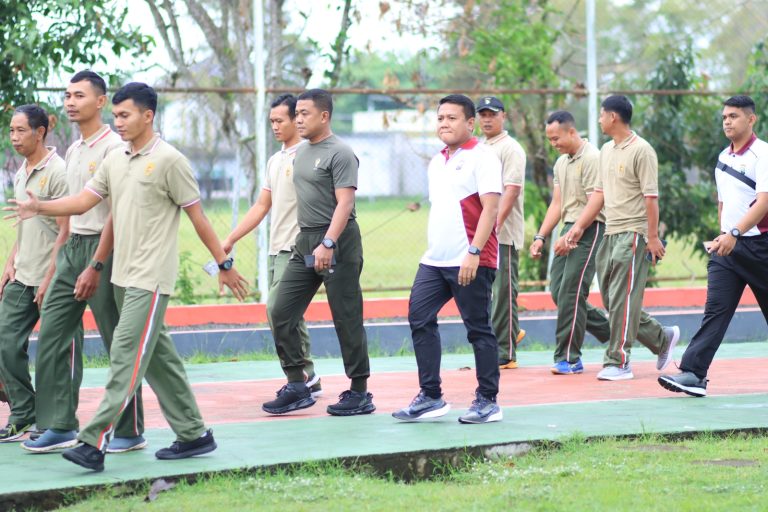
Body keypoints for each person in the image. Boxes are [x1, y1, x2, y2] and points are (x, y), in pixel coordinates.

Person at [6, 82, 249, 472]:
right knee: (158, 360)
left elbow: (198, 218)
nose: (118, 123)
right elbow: (85, 201)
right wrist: (41, 206)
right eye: (116, 116)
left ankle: (93, 441)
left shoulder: (170, 160)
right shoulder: (115, 160)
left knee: (124, 354)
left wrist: (224, 263)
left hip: (150, 279)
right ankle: (194, 433)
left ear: (147, 116)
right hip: (120, 274)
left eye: (125, 115)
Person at [21, 71, 145, 454]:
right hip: (72, 248)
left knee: (116, 342)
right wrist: (58, 260)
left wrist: (96, 264)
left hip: (104, 251)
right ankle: (59, 424)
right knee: (53, 334)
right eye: (67, 95)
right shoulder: (74, 150)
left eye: (79, 95)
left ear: (101, 102)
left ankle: (130, 428)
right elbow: (73, 210)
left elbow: (113, 212)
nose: (70, 102)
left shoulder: (113, 147)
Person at [393, 94, 503, 424]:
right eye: (440, 118)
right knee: (419, 316)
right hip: (434, 261)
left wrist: (473, 252)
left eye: (452, 118)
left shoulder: (483, 158)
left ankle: (488, 401)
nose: (444, 123)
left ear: (470, 123)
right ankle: (431, 396)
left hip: (471, 259)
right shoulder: (436, 160)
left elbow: (491, 209)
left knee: (478, 329)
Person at [264, 89, 374, 417]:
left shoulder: (340, 152)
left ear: (323, 116)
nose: (298, 119)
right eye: (295, 113)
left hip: (337, 241)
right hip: (305, 241)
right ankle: (298, 384)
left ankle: (359, 391)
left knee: (346, 316)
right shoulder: (300, 154)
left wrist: (328, 243)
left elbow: (345, 202)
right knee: (280, 310)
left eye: (304, 114)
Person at [564, 95, 679, 381]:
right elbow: (599, 194)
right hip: (609, 232)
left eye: (602, 115)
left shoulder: (643, 151)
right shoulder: (606, 150)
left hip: (634, 233)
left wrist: (652, 238)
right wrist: (578, 226)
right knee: (614, 301)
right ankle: (660, 338)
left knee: (623, 298)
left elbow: (651, 199)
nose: (600, 120)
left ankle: (619, 361)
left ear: (613, 117)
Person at [659, 95, 768, 397]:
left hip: (761, 247)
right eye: (724, 117)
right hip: (728, 250)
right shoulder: (722, 158)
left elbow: (764, 203)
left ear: (751, 119)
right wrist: (723, 233)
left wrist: (734, 231)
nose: (727, 122)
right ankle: (693, 373)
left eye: (734, 116)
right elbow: (723, 201)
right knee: (715, 312)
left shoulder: (763, 154)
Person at [223, 93, 321, 397]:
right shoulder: (276, 160)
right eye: (271, 122)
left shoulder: (311, 155)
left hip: (300, 249)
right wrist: (230, 238)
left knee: (278, 311)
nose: (275, 126)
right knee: (289, 315)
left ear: (297, 119)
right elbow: (261, 205)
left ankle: (297, 379)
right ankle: (310, 376)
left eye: (280, 120)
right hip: (276, 248)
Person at [0, 105, 70, 442]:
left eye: (20, 131)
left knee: (58, 351)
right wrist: (10, 262)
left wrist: (49, 278)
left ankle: (57, 421)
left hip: (53, 277)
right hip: (22, 275)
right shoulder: (20, 172)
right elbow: (26, 224)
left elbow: (65, 231)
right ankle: (23, 412)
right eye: (11, 131)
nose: (14, 137)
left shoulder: (58, 172)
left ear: (40, 132)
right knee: (5, 340)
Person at [476, 96, 527, 369]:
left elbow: (512, 189)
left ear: (503, 117)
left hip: (502, 233)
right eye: (482, 114)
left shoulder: (511, 148)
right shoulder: (480, 148)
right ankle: (510, 331)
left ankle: (505, 352)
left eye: (492, 114)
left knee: (504, 290)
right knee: (487, 292)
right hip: (481, 233)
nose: (487, 119)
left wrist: (493, 226)